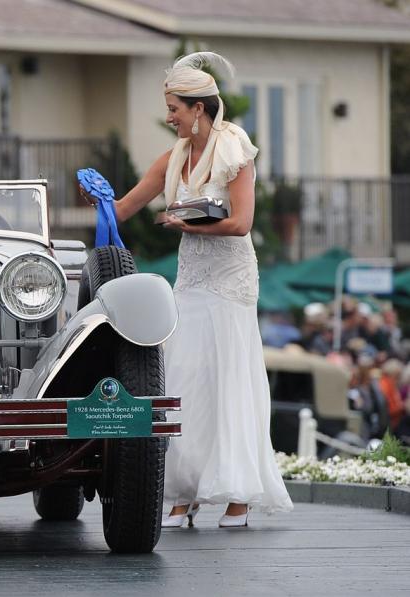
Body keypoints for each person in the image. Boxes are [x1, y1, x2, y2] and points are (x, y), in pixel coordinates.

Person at [106, 52, 293, 527]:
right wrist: (97, 200)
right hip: (190, 280)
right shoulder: (173, 159)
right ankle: (183, 490)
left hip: (230, 281)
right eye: (169, 108)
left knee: (230, 378)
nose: (169, 117)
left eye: (175, 108)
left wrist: (183, 223)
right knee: (185, 377)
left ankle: (237, 495)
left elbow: (241, 223)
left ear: (199, 108)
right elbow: (123, 209)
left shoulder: (235, 149)